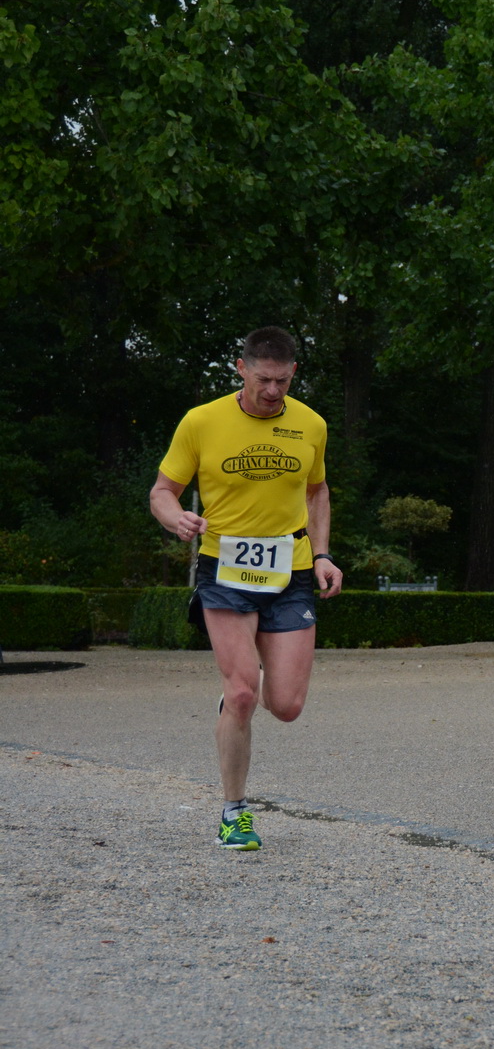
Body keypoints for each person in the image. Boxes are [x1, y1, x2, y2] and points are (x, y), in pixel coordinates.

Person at [149, 326, 343, 850]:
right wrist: (177, 519)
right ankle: (234, 813)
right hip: (226, 569)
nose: (273, 391)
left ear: (293, 374)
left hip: (291, 572)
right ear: (241, 368)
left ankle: (239, 697)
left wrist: (323, 555)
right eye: (263, 379)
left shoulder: (311, 425)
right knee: (243, 693)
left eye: (282, 381)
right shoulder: (202, 422)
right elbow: (163, 491)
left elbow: (317, 489)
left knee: (285, 705)